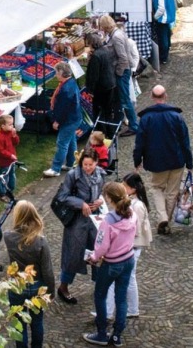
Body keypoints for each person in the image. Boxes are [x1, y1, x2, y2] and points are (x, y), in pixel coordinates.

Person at [133, 85, 193, 235]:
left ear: (152, 97)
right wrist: (189, 162)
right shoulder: (177, 117)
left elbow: (140, 142)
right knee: (172, 192)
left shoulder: (146, 118)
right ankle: (166, 220)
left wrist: (137, 160)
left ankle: (162, 217)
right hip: (176, 160)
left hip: (156, 162)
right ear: (165, 96)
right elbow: (185, 142)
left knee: (157, 188)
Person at [83, 182, 137, 347]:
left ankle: (101, 333)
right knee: (121, 298)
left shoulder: (108, 222)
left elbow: (101, 247)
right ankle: (117, 336)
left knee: (100, 294)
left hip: (112, 263)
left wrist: (93, 256)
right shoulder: (132, 213)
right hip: (128, 259)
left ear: (109, 198)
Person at [52, 146, 105, 304]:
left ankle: (99, 285)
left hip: (95, 219)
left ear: (96, 163)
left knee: (98, 250)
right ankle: (63, 286)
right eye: (85, 165)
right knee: (73, 253)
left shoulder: (101, 174)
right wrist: (81, 203)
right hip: (76, 219)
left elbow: (101, 191)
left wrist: (100, 200)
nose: (88, 168)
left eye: (91, 164)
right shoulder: (73, 175)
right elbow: (62, 196)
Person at [4, 200, 56, 348]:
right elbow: (47, 271)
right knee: (37, 321)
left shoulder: (8, 237)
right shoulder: (40, 241)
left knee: (19, 323)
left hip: (16, 285)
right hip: (36, 286)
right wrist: (50, 292)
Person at [103, 173, 151, 321]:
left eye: (125, 186)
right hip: (131, 246)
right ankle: (131, 309)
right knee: (129, 278)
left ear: (133, 189)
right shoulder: (134, 203)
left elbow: (134, 230)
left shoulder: (137, 206)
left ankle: (111, 311)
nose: (122, 188)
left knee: (125, 279)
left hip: (132, 247)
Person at [42, 62, 85, 178]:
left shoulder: (65, 89)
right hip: (75, 118)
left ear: (61, 72)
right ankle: (71, 163)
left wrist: (57, 121)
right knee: (71, 141)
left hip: (69, 120)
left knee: (62, 143)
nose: (55, 74)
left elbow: (63, 109)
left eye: (56, 72)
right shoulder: (71, 83)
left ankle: (55, 169)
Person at [99, 15, 138, 137]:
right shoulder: (117, 33)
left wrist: (118, 73)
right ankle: (122, 122)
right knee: (122, 99)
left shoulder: (116, 37)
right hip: (123, 70)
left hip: (122, 71)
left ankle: (134, 126)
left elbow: (123, 58)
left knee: (125, 100)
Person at [84, 32, 119, 129]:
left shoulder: (96, 56)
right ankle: (110, 131)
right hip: (111, 83)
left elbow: (93, 75)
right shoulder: (106, 50)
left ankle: (101, 132)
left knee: (99, 111)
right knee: (108, 110)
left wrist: (90, 90)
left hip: (101, 88)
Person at [151, 0, 177, 66]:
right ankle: (165, 54)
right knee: (166, 34)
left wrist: (155, 17)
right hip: (167, 18)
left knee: (163, 38)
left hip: (162, 19)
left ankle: (163, 57)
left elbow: (161, 9)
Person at [0, 114, 20, 201]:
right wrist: (10, 155)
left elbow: (16, 143)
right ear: (3, 126)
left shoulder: (10, 133)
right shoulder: (0, 138)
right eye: (10, 125)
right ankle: (1, 193)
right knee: (3, 177)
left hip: (12, 161)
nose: (12, 126)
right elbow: (0, 151)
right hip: (5, 162)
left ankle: (10, 190)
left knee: (12, 175)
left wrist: (14, 136)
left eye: (12, 124)